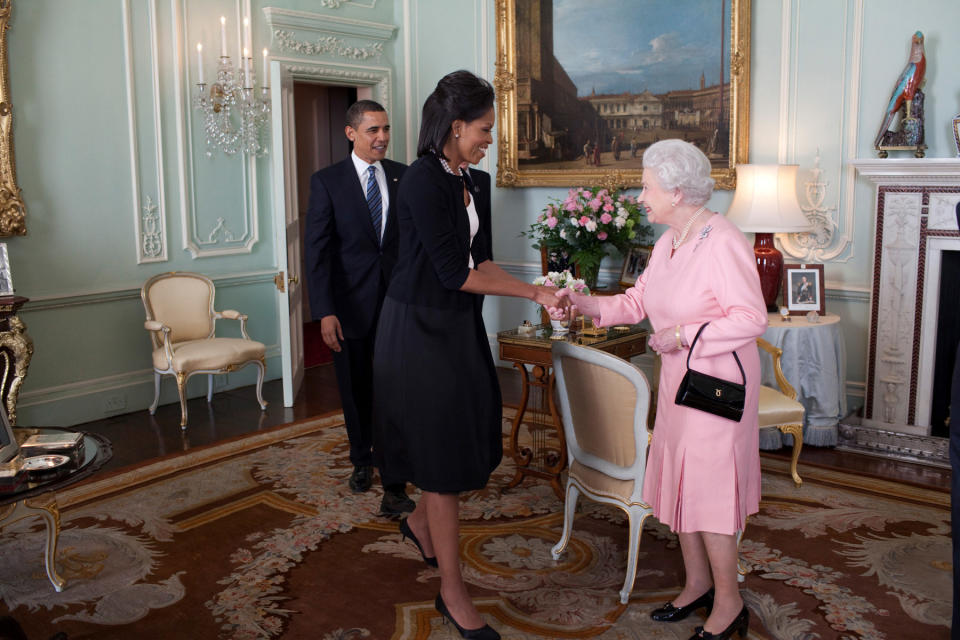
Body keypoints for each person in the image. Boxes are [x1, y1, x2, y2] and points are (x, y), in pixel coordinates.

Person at [373, 70, 564, 640]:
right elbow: (455, 273)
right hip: (416, 330)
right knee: (441, 461)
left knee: (465, 438)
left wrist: (546, 286)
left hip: (456, 328)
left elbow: (481, 263)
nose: (490, 140)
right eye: (484, 129)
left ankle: (416, 522)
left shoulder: (473, 182)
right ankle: (452, 593)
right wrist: (534, 292)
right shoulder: (421, 183)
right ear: (455, 127)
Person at [552, 139, 767, 640]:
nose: (640, 196)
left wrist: (680, 335)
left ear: (674, 189)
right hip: (677, 380)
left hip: (718, 386)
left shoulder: (723, 238)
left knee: (710, 491)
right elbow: (637, 300)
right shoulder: (671, 240)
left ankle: (729, 603)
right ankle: (696, 584)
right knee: (683, 481)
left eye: (646, 186)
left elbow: (751, 318)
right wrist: (585, 305)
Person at [304, 99, 414, 516]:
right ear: (351, 133)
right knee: (356, 390)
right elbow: (318, 252)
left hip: (398, 306)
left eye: (386, 129)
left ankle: (397, 479)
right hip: (348, 309)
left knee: (396, 392)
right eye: (373, 130)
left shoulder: (405, 176)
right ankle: (361, 460)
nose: (383, 137)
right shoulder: (327, 181)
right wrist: (325, 311)